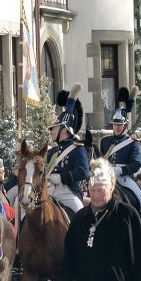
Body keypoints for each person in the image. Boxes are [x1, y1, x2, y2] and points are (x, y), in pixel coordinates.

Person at [100, 87, 141, 216]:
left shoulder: (132, 142)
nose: (116, 127)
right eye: (115, 125)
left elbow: (136, 164)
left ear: (125, 126)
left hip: (124, 178)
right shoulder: (105, 141)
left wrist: (121, 170)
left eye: (119, 125)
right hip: (107, 177)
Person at [45, 83, 90, 214]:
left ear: (64, 130)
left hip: (68, 193)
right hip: (49, 191)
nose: (51, 131)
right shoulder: (51, 151)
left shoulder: (77, 149)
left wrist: (62, 178)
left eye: (54, 128)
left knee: (79, 214)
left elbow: (83, 172)